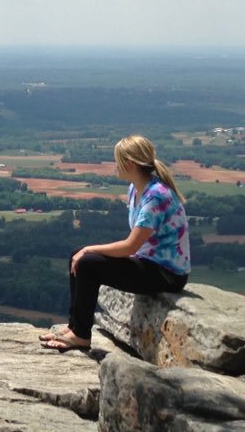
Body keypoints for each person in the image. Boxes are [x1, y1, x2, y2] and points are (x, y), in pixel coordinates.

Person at [41, 135, 190, 351]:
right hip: (150, 263)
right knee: (78, 254)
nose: (115, 166)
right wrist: (84, 251)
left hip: (167, 275)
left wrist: (89, 249)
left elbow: (131, 246)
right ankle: (75, 326)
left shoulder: (156, 196)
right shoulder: (136, 189)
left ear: (129, 164)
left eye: (117, 161)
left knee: (86, 261)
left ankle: (81, 335)